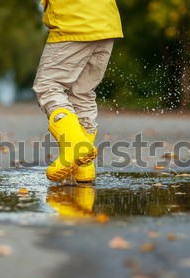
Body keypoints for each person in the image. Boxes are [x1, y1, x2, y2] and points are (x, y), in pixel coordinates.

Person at [33, 0, 123, 183]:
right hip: (106, 22)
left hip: (74, 20)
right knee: (82, 93)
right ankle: (83, 169)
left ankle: (75, 145)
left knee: (48, 85)